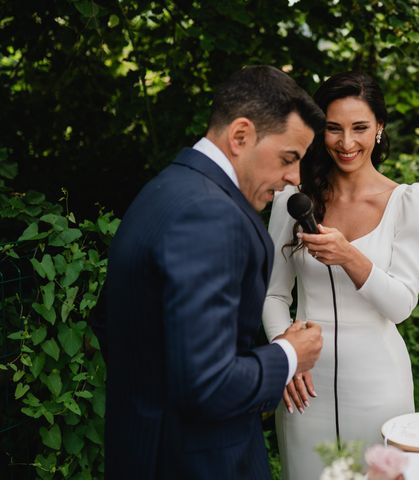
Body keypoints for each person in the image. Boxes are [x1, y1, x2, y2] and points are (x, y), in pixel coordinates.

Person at [93, 65, 325, 479]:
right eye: (289, 159)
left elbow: (109, 322)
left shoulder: (165, 188)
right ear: (240, 136)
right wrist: (289, 354)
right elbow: (210, 385)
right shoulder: (211, 216)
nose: (294, 178)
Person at [262, 71, 419, 479]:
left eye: (360, 128)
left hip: (379, 386)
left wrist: (348, 256)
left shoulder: (409, 202)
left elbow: (401, 305)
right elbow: (271, 294)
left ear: (380, 128)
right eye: (333, 129)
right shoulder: (294, 198)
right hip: (304, 387)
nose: (346, 143)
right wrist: (284, 351)